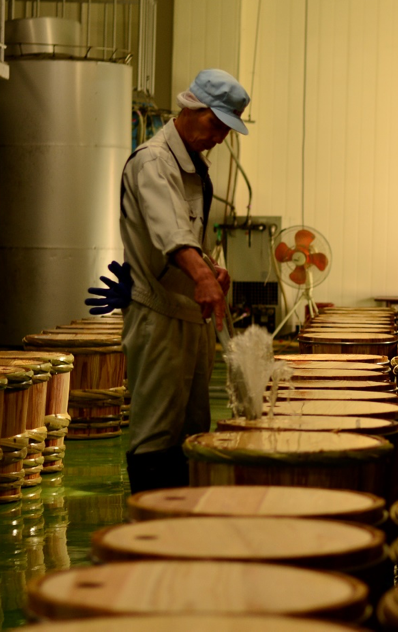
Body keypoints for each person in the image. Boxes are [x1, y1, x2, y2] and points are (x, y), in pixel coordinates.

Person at [112, 69, 249, 493]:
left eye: (228, 130)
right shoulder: (154, 161)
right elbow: (169, 231)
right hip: (159, 316)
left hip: (193, 315)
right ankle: (151, 531)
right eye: (216, 124)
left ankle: (186, 525)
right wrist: (201, 275)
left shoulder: (194, 166)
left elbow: (190, 236)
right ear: (191, 107)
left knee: (193, 429)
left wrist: (211, 267)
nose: (220, 138)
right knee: (157, 433)